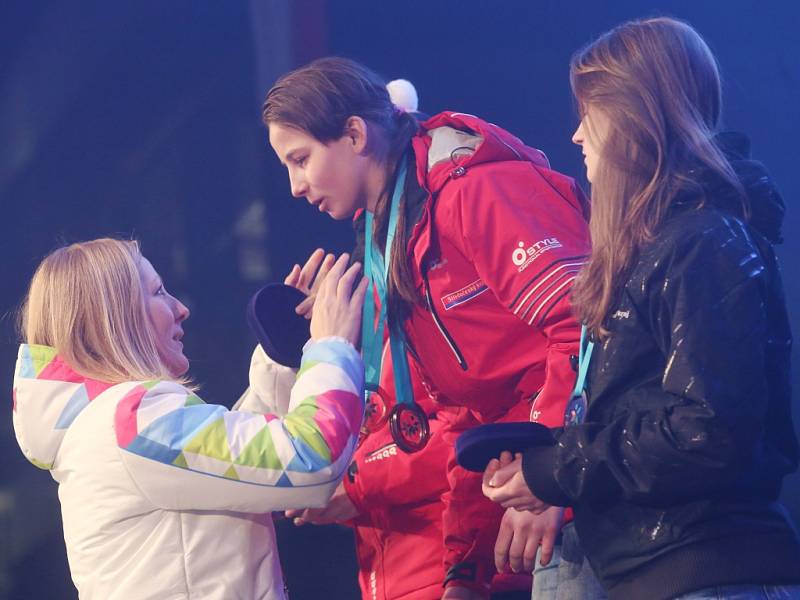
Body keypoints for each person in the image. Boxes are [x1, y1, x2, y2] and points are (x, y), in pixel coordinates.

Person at [482, 17, 800, 600]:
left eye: (589, 114)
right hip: (656, 574)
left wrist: (557, 469)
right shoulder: (661, 247)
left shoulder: (706, 243)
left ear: (634, 116)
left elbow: (706, 433)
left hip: (707, 573)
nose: (576, 136)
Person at [263, 57, 591, 599]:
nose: (296, 186)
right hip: (534, 504)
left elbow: (587, 329)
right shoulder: (400, 236)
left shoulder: (473, 192)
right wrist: (463, 567)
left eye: (301, 159)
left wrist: (551, 473)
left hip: (579, 494)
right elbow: (467, 413)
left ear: (353, 134)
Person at [12, 238, 367, 600]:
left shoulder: (106, 428)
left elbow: (237, 473)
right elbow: (311, 457)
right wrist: (331, 344)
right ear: (115, 316)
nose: (181, 309)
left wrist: (283, 350)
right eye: (158, 292)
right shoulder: (129, 421)